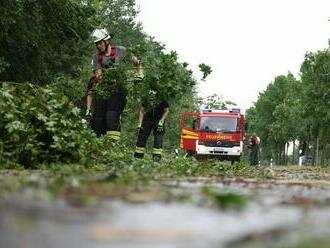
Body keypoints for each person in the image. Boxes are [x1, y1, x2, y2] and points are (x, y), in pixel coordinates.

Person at [86, 28, 143, 140]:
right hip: (104, 89)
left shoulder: (121, 50)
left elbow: (137, 62)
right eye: (96, 44)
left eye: (100, 43)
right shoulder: (97, 58)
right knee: (97, 120)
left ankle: (113, 146)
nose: (98, 46)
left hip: (118, 89)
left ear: (107, 41)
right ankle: (97, 146)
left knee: (111, 116)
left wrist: (140, 75)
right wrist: (103, 76)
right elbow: (98, 74)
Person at [134, 91, 169, 161]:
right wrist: (140, 124)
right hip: (147, 119)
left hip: (158, 120)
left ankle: (156, 159)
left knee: (158, 140)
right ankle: (137, 158)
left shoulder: (162, 99)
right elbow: (141, 111)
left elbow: (166, 110)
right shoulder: (146, 99)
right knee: (141, 137)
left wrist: (161, 121)